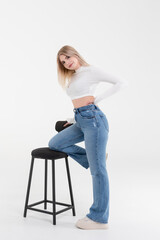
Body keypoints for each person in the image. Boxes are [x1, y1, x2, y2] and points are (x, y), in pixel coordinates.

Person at [48, 45, 128, 230]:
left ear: (74, 53)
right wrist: (72, 118)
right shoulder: (74, 76)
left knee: (98, 171)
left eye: (67, 57)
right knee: (55, 143)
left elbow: (122, 82)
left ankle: (99, 218)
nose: (67, 62)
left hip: (94, 121)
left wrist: (97, 99)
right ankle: (92, 158)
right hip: (81, 119)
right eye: (63, 61)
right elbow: (78, 100)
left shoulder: (91, 71)